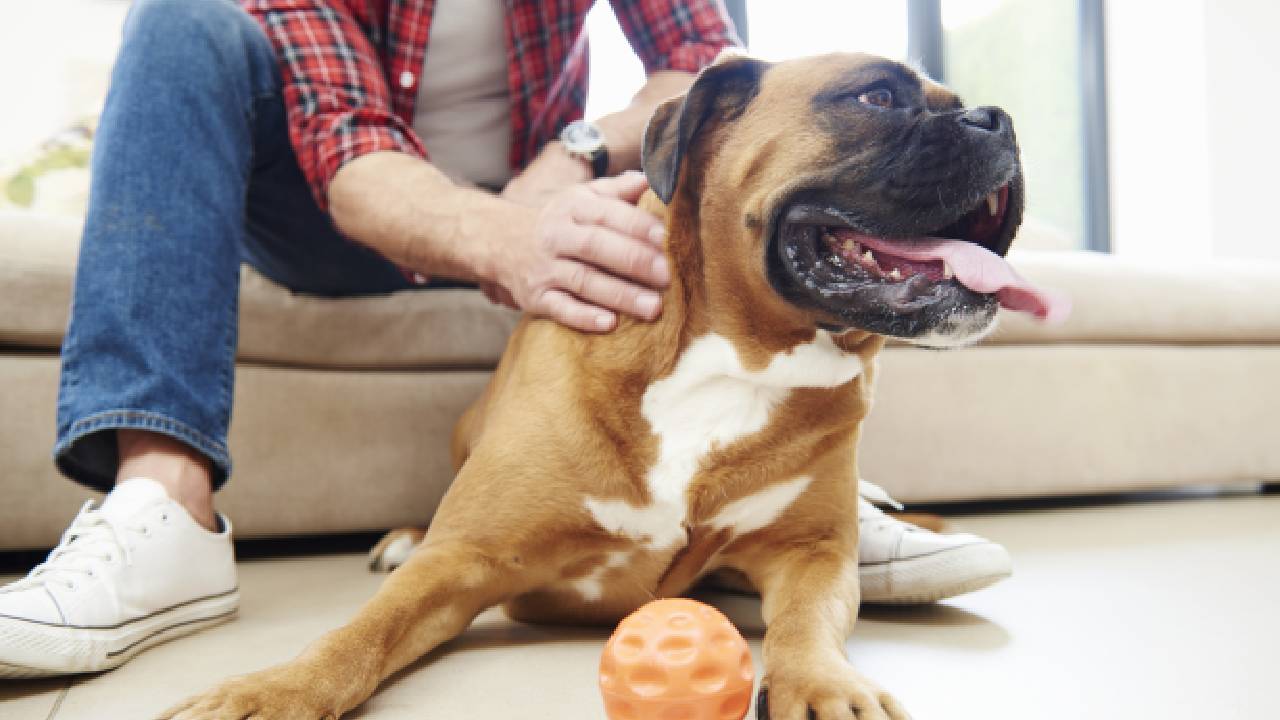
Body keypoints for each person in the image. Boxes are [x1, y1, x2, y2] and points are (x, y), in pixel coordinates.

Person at [0, 0, 1010, 678]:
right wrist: (504, 237)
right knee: (181, 16)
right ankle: (160, 501)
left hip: (538, 173)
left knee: (697, 182)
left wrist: (574, 164)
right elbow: (351, 152)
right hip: (333, 206)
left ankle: (784, 495)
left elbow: (705, 68)